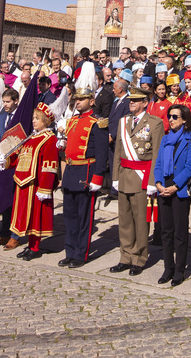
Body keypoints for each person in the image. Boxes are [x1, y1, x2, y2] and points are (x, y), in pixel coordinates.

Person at [110, 86, 164, 276]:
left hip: (142, 178)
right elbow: (118, 151)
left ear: (145, 103)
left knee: (141, 221)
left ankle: (139, 258)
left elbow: (157, 154)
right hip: (124, 175)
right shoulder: (123, 121)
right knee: (124, 220)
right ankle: (125, 256)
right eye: (130, 100)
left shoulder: (155, 123)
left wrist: (152, 182)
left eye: (135, 100)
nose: (131, 103)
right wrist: (115, 176)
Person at [59, 88, 109, 267]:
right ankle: (70, 251)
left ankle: (80, 254)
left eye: (82, 99)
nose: (77, 102)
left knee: (83, 218)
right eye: (76, 99)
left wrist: (98, 177)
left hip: (86, 172)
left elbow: (102, 154)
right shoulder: (72, 120)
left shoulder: (98, 122)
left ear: (91, 100)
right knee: (69, 216)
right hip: (71, 172)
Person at [152, 104, 191, 286]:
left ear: (184, 120)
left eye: (175, 117)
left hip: (179, 190)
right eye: (169, 116)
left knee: (180, 232)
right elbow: (158, 163)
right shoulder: (165, 139)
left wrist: (175, 186)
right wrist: (158, 183)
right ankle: (168, 267)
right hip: (163, 187)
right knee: (165, 231)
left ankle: (179, 270)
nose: (171, 120)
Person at [7, 103, 59, 260]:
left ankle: (35, 247)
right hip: (23, 183)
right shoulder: (31, 137)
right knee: (25, 217)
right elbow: (22, 158)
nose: (34, 121)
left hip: (36, 184)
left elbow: (49, 165)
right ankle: (29, 245)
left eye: (37, 118)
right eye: (33, 118)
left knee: (36, 216)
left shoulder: (50, 139)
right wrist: (7, 160)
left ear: (45, 120)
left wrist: (45, 187)